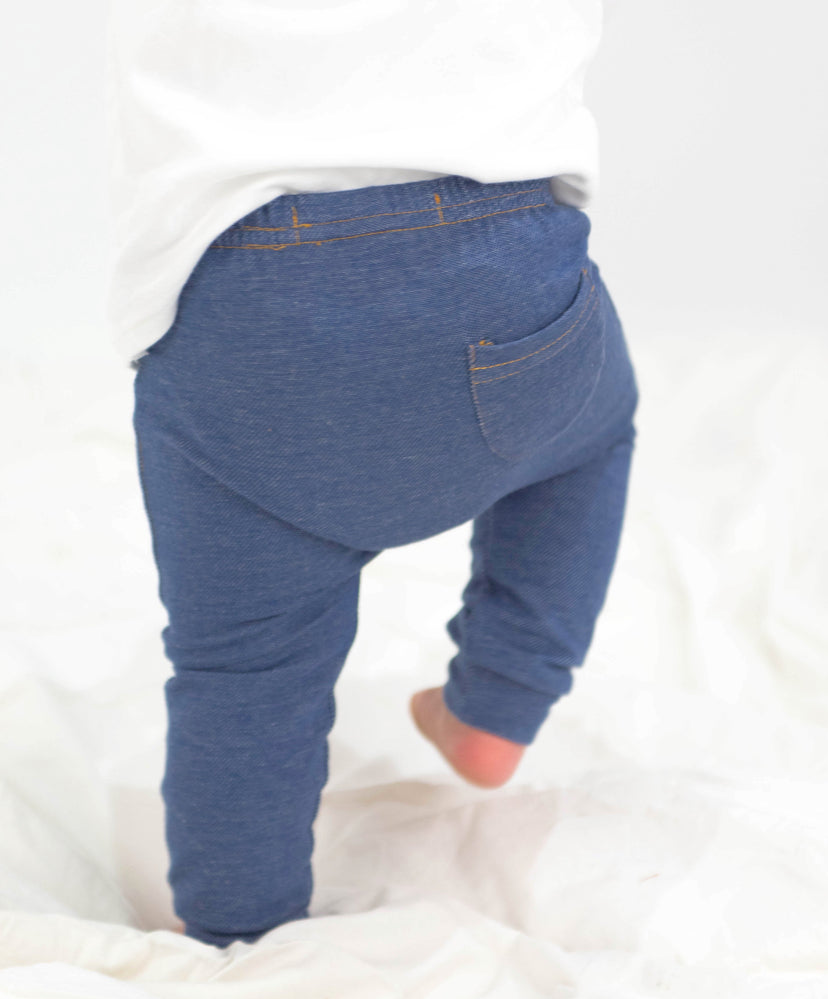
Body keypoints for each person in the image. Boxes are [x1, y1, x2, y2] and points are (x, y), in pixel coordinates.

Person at [107, 0, 639, 949]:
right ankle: (500, 701)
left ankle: (239, 931)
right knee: (591, 429)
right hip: (512, 277)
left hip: (253, 310)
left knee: (246, 666)